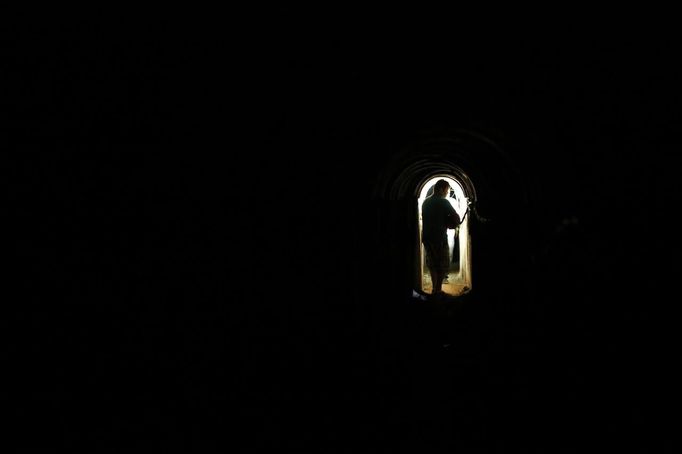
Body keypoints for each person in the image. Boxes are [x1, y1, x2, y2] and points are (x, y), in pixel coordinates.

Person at [422, 179, 460, 296]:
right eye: (447, 190)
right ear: (440, 189)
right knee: (442, 265)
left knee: (432, 264)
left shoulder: (425, 202)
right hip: (440, 238)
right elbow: (457, 218)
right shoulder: (444, 202)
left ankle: (434, 289)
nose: (447, 193)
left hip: (427, 238)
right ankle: (438, 290)